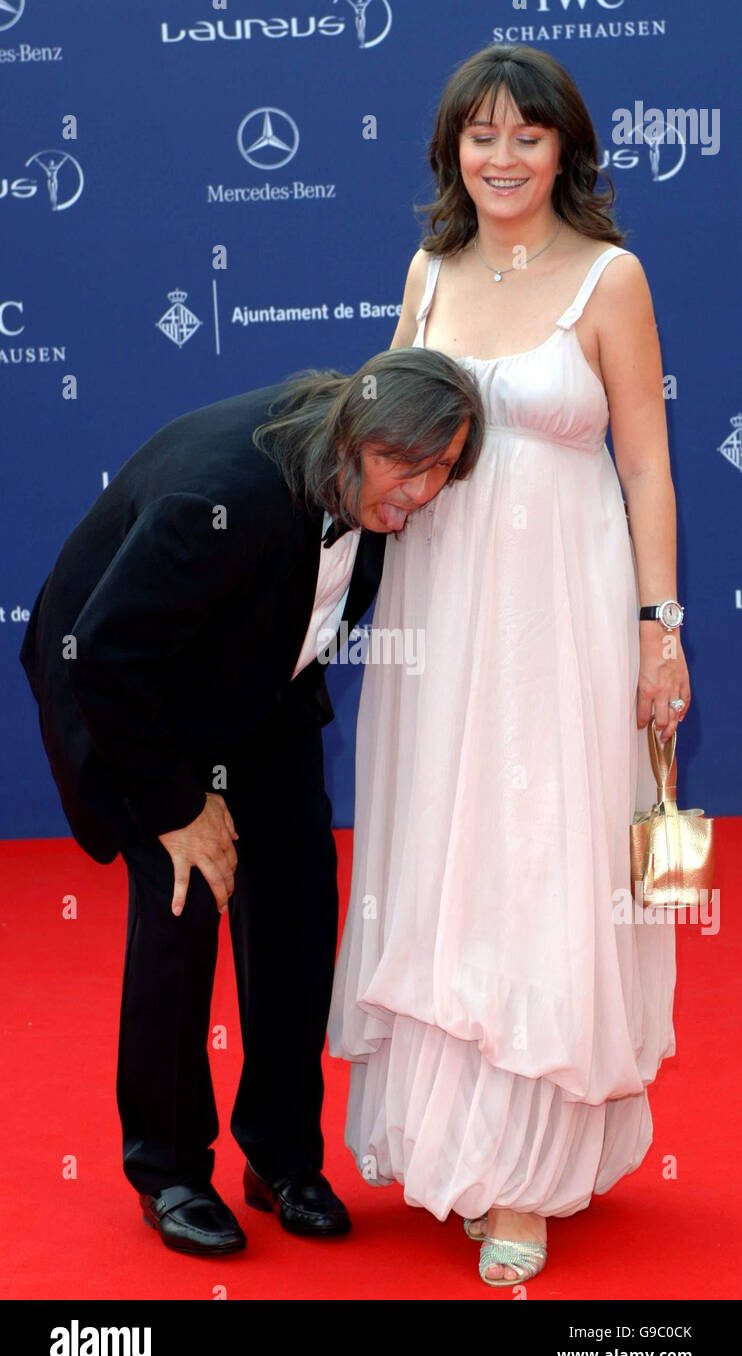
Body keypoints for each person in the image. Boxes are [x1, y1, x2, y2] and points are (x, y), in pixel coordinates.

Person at [328, 44, 689, 1287]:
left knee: (541, 857)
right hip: (437, 624)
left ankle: (528, 1173)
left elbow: (646, 462)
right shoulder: (427, 274)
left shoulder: (609, 277)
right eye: (480, 135)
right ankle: (451, 1135)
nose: (502, 157)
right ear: (452, 152)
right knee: (448, 855)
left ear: (562, 149)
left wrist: (659, 626)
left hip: (559, 624)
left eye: (526, 135)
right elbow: (381, 434)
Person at [19, 347, 484, 1256]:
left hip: (254, 687)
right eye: (406, 467)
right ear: (351, 441)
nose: (423, 493)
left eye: (442, 469)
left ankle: (282, 1157)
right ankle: (169, 1172)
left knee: (299, 908)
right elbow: (106, 654)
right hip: (132, 695)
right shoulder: (220, 501)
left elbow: (295, 606)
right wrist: (177, 807)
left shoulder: (366, 482)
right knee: (185, 904)